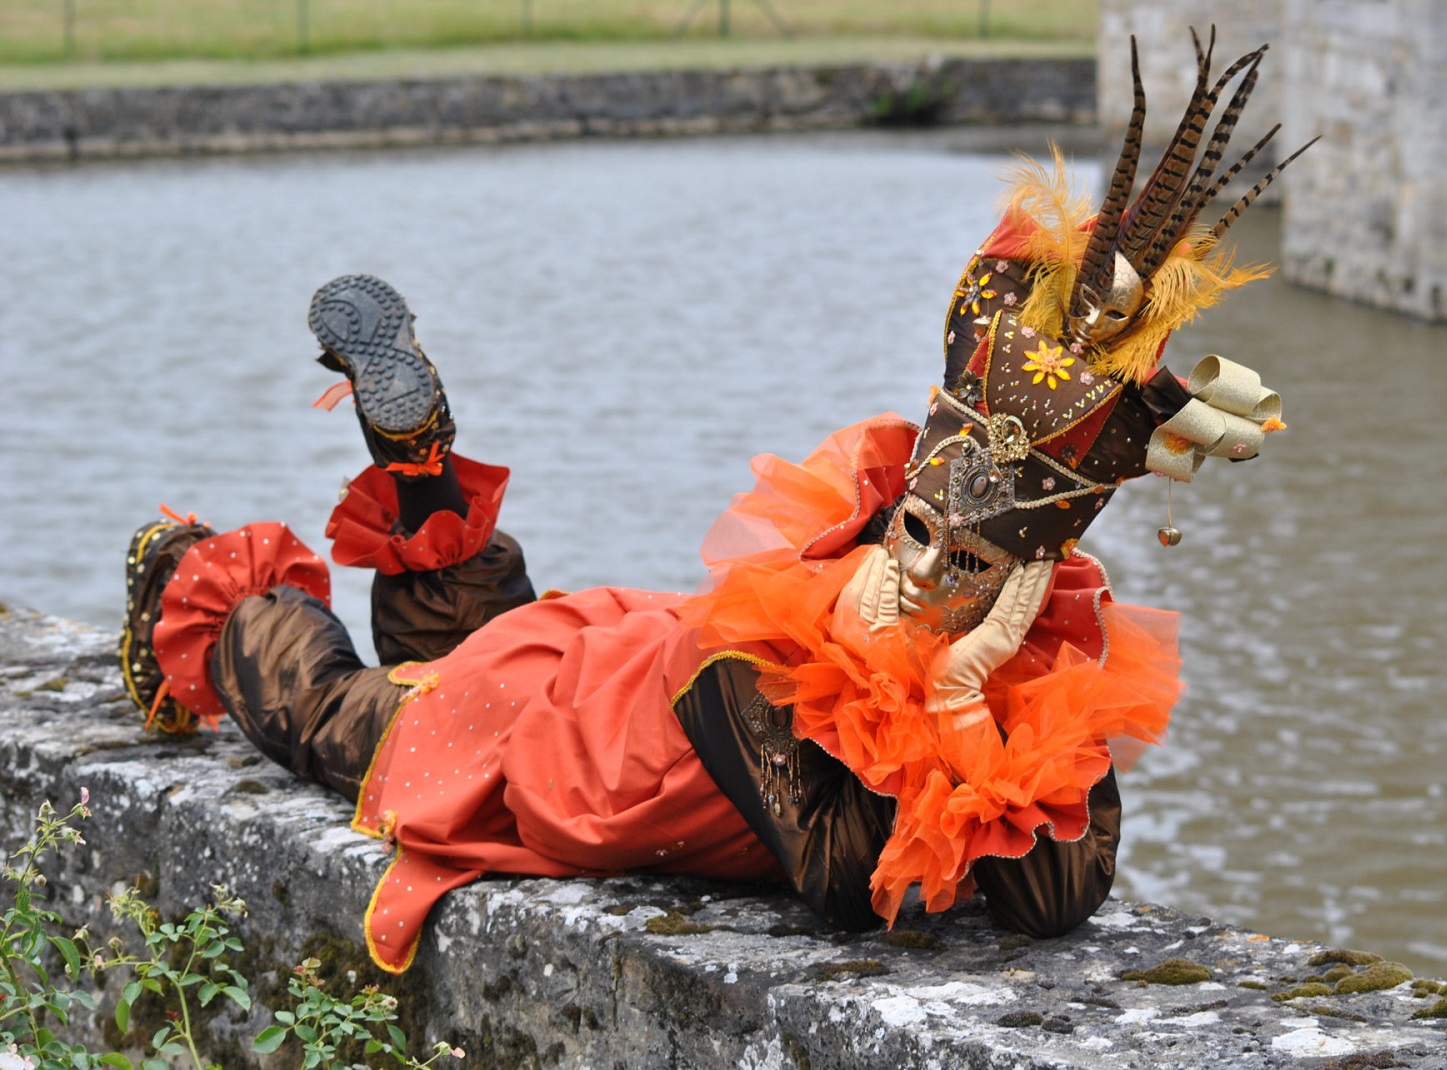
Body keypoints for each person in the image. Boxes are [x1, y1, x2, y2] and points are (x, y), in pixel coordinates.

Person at [117, 32, 1307, 974]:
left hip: (621, 670)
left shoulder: (1039, 661)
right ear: (897, 507)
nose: (929, 577)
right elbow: (846, 883)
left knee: (468, 653)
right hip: (586, 748)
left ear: (1040, 571)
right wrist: (947, 698)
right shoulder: (770, 656)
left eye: (974, 567)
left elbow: (1052, 901)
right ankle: (203, 575)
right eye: (916, 536)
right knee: (346, 718)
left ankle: (422, 464)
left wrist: (958, 692)